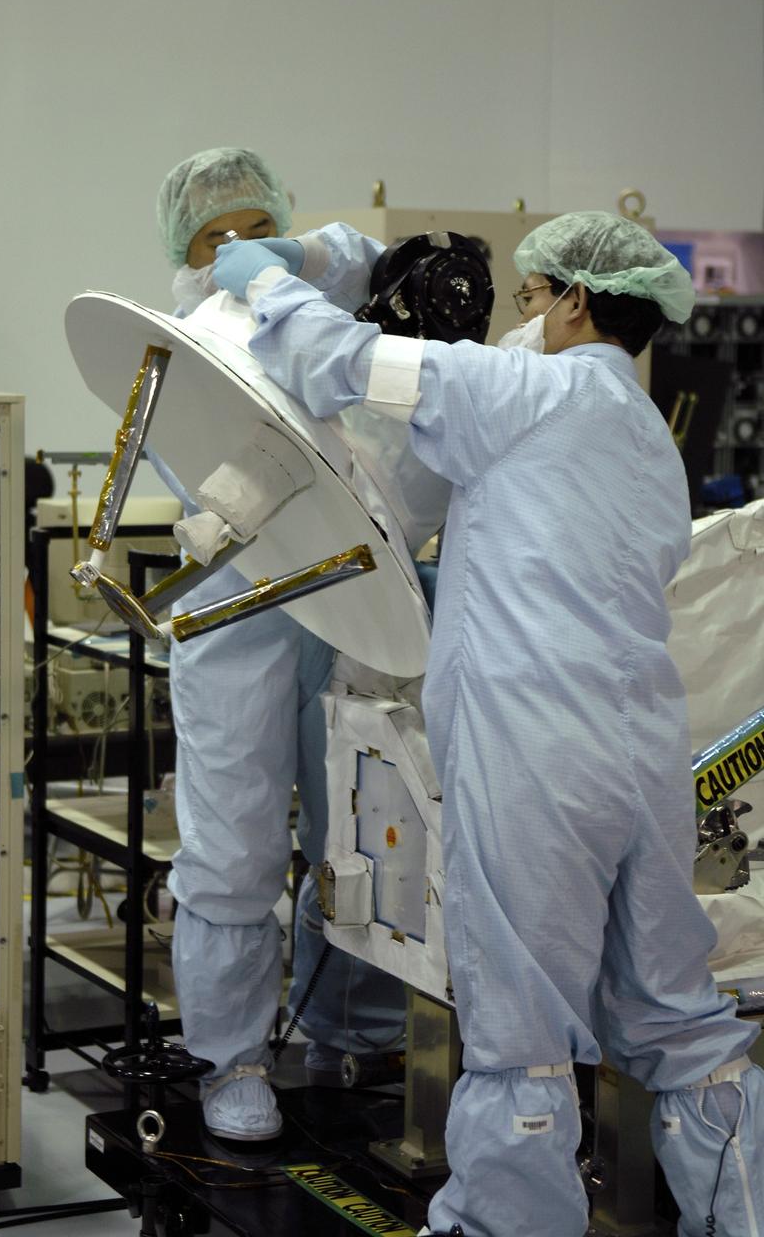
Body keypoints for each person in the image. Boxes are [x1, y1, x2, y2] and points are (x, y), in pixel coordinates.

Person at [212, 212, 764, 1234]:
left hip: (532, 754)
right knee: (675, 1017)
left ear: (576, 300)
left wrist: (265, 280)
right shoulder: (642, 430)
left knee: (520, 1025)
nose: (522, 317)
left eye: (530, 296)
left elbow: (338, 359)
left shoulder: (527, 392)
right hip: (639, 750)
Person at [151, 149, 406, 1142]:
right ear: (183, 251)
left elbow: (372, 261)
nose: (238, 249)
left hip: (345, 592)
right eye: (216, 237)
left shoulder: (316, 312)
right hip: (239, 611)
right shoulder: (178, 344)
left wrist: (294, 257)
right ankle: (233, 1056)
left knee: (363, 823)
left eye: (259, 228)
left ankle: (352, 1027)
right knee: (235, 841)